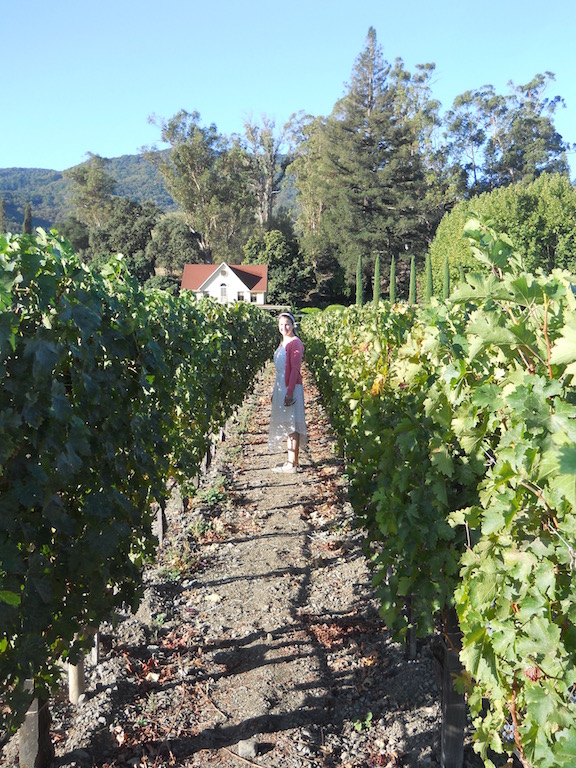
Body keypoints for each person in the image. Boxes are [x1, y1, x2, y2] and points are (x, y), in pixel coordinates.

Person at [268, 312, 307, 473]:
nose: (284, 327)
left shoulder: (294, 342)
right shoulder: (283, 342)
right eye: (281, 324)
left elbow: (295, 370)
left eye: (287, 324)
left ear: (292, 325)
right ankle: (291, 461)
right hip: (282, 385)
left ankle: (292, 463)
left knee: (292, 423)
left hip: (291, 386)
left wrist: (289, 392)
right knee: (288, 422)